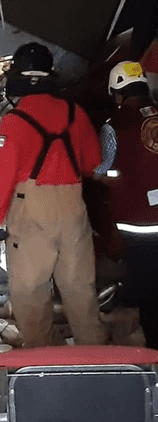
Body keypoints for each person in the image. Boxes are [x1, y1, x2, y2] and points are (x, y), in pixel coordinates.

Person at [0, 43, 107, 347]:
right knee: (80, 287)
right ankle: (95, 358)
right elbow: (92, 163)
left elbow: (5, 177)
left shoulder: (14, 121)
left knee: (31, 290)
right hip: (72, 205)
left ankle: (42, 361)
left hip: (31, 208)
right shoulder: (75, 113)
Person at [96, 61, 158, 348]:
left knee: (149, 288)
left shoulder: (114, 127)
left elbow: (103, 169)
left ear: (117, 94)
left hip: (140, 222)